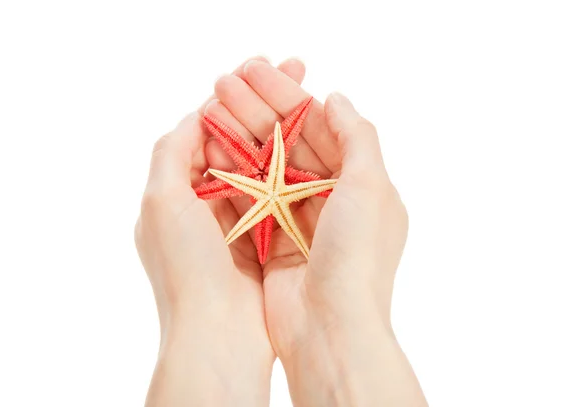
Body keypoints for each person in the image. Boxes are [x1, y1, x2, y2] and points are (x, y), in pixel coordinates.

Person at [134, 55, 428, 407]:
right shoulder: (258, 183)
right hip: (273, 197)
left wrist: (207, 332)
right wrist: (338, 334)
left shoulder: (277, 186)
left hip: (277, 196)